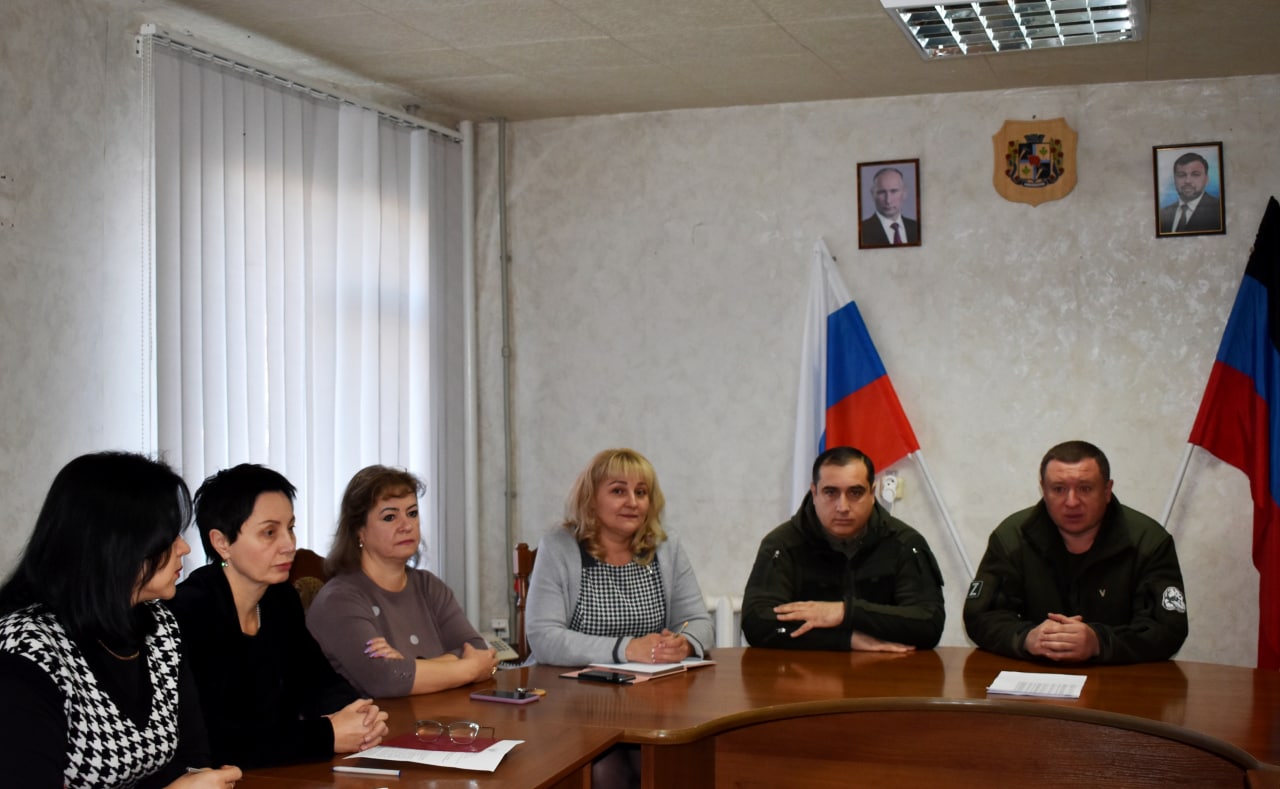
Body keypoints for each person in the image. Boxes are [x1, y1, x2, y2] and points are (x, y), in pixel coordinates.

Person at [0, 452, 241, 788]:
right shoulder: (26, 646)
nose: (184, 548)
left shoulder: (159, 626)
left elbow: (191, 758)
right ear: (117, 545)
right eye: (169, 537)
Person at [167, 464, 388, 768]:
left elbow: (319, 682)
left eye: (291, 528)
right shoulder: (189, 612)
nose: (289, 545)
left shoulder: (279, 598)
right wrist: (326, 735)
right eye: (269, 532)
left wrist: (359, 715)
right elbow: (215, 739)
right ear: (222, 543)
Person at [963, 441, 1188, 664]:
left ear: (1107, 490)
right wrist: (1026, 639)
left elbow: (1168, 629)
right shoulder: (1011, 537)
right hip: (1034, 677)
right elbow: (980, 616)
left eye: (1085, 488)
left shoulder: (1148, 542)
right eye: (1059, 489)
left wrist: (1099, 642)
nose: (1071, 502)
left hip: (1120, 677)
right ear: (1043, 490)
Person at [307, 465, 497, 697]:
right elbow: (386, 679)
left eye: (412, 513)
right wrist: (471, 669)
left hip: (437, 714)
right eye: (390, 517)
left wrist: (409, 666)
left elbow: (476, 647)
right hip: (374, 720)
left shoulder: (429, 586)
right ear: (359, 530)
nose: (406, 526)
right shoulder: (339, 600)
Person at [742, 446, 944, 651]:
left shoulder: (905, 543)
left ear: (872, 493)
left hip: (886, 667)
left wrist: (846, 612)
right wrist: (847, 639)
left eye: (855, 492)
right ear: (814, 492)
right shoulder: (783, 544)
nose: (843, 507)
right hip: (804, 669)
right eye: (831, 492)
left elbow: (929, 624)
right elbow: (757, 624)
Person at [525, 448, 714, 667]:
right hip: (568, 683)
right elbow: (544, 638)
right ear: (591, 499)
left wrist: (684, 644)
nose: (633, 502)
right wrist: (628, 649)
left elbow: (699, 622)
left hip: (648, 684)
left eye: (641, 492)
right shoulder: (558, 547)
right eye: (618, 491)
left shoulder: (665, 546)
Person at [1158, 152, 1223, 233]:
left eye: (1195, 174)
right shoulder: (1162, 214)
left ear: (1206, 179)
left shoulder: (1219, 210)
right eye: (1181, 175)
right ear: (1174, 179)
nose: (1187, 181)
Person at [860, 167, 919, 247]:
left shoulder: (916, 227)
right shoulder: (862, 230)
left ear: (904, 193)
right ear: (873, 194)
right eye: (882, 192)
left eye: (894, 191)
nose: (888, 200)